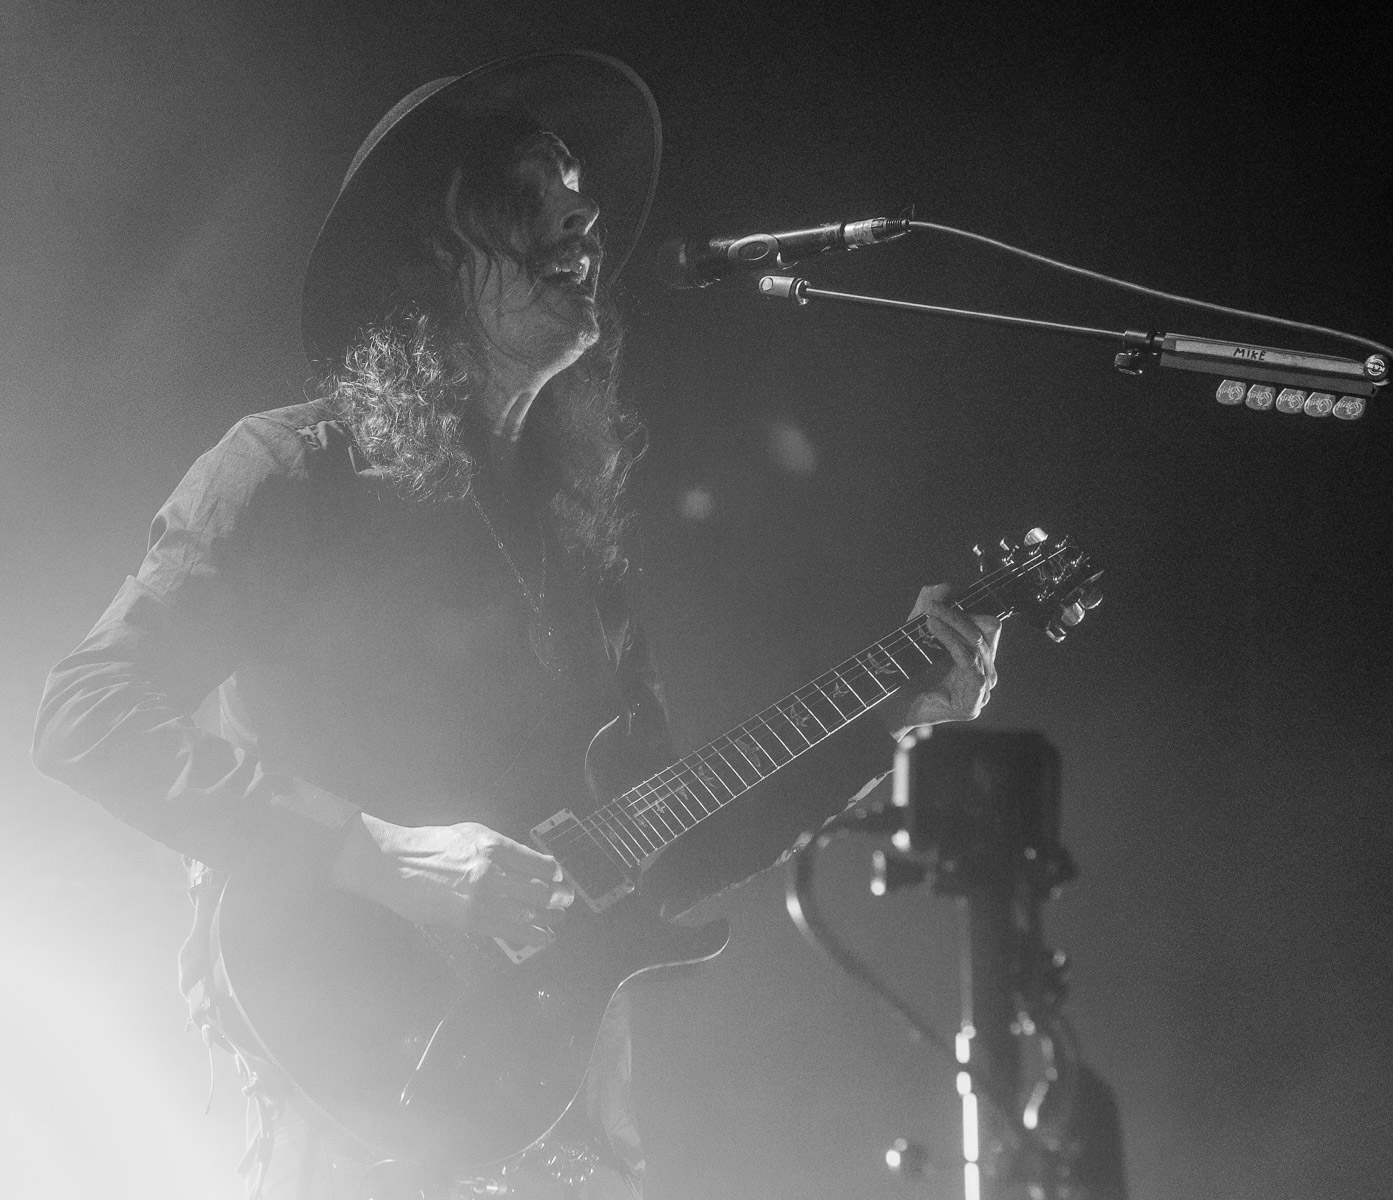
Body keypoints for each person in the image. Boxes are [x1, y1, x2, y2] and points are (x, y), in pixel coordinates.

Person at [31, 50, 1002, 1200]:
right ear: (431, 246)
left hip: (557, 1107)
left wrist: (889, 720)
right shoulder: (290, 469)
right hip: (356, 1075)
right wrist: (382, 854)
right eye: (531, 187)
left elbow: (664, 844)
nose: (583, 213)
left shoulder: (573, 544)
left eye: (580, 188)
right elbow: (85, 714)